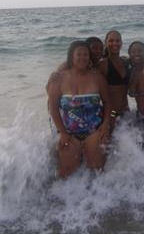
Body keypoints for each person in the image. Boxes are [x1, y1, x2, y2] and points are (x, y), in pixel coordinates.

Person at [47, 41, 112, 179]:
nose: (82, 57)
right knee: (66, 174)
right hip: (68, 133)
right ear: (72, 56)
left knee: (97, 173)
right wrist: (63, 132)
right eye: (79, 54)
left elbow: (108, 103)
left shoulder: (97, 77)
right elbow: (53, 107)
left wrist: (106, 124)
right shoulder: (59, 78)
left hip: (94, 131)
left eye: (85, 54)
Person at [98, 30, 130, 129]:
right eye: (111, 41)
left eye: (117, 40)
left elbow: (142, 66)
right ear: (105, 43)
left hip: (126, 111)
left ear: (121, 43)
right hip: (112, 113)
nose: (115, 43)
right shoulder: (103, 64)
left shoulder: (126, 62)